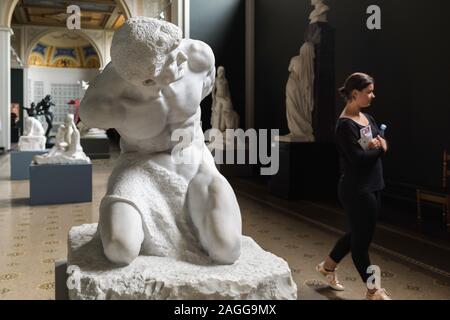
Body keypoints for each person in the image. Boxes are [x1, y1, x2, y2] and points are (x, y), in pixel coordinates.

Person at [80, 17, 242, 266]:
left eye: (177, 48)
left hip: (194, 161)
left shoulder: (198, 56)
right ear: (147, 80)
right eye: (173, 59)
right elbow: (89, 118)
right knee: (119, 249)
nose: (182, 58)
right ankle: (113, 214)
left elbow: (205, 88)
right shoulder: (103, 102)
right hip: (140, 167)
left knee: (226, 249)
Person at [316, 72, 391, 300]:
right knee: (360, 245)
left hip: (373, 185)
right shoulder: (344, 126)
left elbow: (380, 141)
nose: (372, 95)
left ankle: (327, 267)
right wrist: (380, 148)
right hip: (356, 190)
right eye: (369, 92)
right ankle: (373, 291)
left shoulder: (367, 118)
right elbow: (359, 158)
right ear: (355, 94)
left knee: (357, 235)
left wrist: (380, 146)